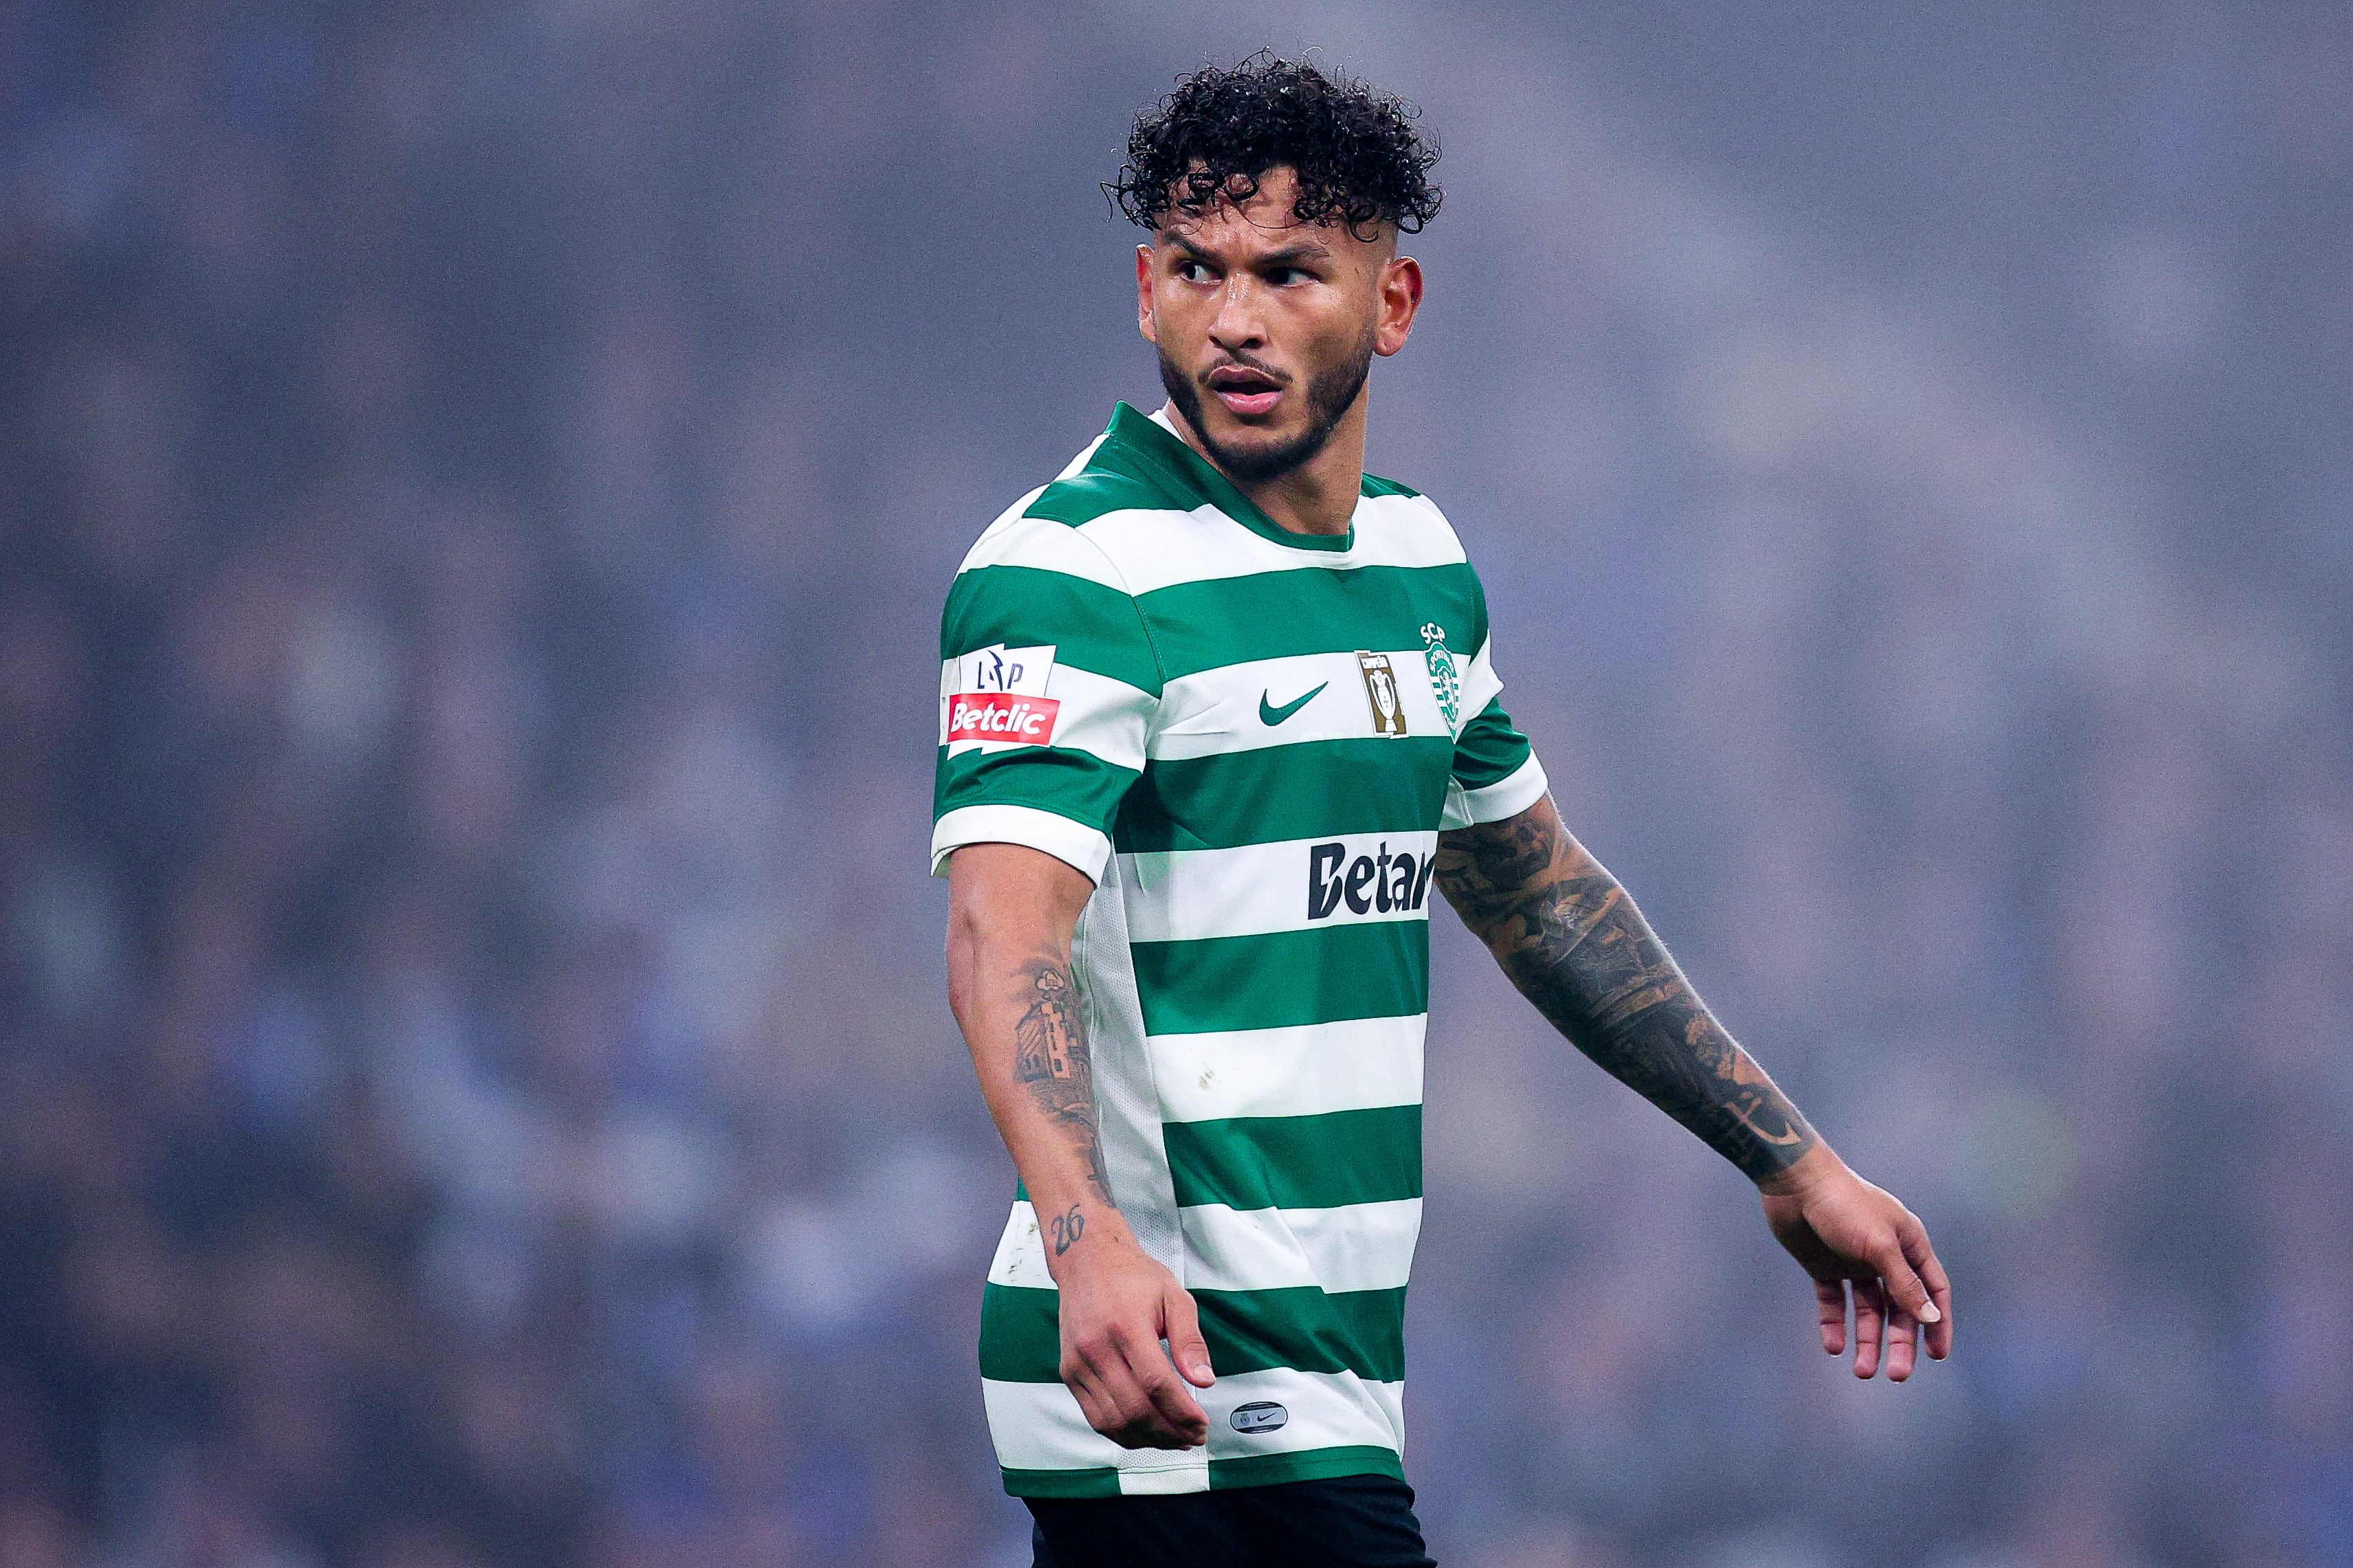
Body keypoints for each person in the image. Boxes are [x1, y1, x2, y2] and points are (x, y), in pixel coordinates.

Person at [933, 55, 1952, 1568]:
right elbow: (998, 929)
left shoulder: (1417, 564)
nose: (1235, 318)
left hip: (1326, 1380)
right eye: (1199, 270)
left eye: (1290, 272)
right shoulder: (1072, 570)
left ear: (1392, 303)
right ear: (1145, 291)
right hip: (1169, 1371)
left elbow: (1537, 894)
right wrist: (1087, 1245)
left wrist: (1791, 1161)